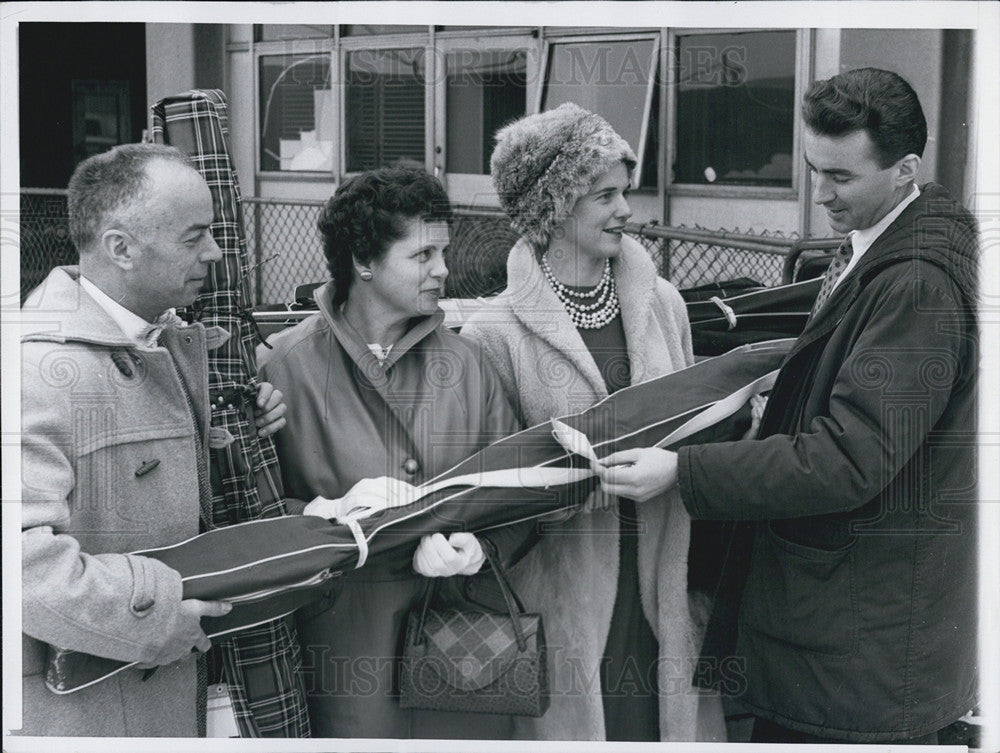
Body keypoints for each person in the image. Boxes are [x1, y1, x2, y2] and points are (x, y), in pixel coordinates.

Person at [594, 68, 979, 744]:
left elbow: (846, 459)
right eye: (811, 169)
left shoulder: (915, 286)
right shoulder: (886, 251)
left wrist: (684, 474)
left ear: (906, 168)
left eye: (841, 176)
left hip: (861, 662)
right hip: (856, 639)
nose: (821, 193)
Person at [20, 143, 288, 736]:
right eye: (195, 237)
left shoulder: (163, 339)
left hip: (157, 699)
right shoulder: (35, 372)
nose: (215, 254)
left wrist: (234, 438)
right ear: (121, 248)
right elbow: (22, 569)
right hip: (95, 717)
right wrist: (163, 614)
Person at [256, 166, 531, 739]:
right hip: (346, 653)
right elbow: (244, 515)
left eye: (444, 251)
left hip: (463, 650)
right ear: (363, 260)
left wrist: (482, 547)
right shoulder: (281, 367)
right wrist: (321, 516)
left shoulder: (469, 363)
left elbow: (524, 491)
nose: (443, 270)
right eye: (422, 254)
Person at [461, 103, 702, 741]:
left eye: (625, 190)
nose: (626, 209)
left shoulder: (663, 303)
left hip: (662, 579)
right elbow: (489, 487)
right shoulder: (493, 332)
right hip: (558, 595)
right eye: (605, 195)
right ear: (553, 206)